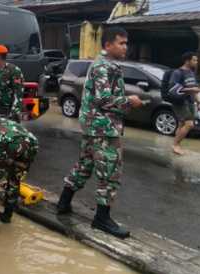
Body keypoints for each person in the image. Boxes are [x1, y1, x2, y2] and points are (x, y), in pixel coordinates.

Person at [56, 26, 143, 239]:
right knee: (110, 172)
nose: (126, 47)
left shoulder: (102, 65)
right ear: (107, 45)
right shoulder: (104, 67)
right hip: (103, 127)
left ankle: (63, 202)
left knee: (85, 165)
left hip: (94, 126)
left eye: (126, 42)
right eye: (121, 43)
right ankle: (102, 219)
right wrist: (129, 101)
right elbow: (103, 100)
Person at [170, 52, 200, 156]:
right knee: (189, 124)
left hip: (190, 102)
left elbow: (195, 89)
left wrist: (199, 102)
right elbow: (173, 89)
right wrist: (191, 89)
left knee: (182, 124)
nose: (196, 62)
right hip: (180, 102)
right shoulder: (177, 73)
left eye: (196, 60)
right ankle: (175, 145)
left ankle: (176, 144)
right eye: (194, 60)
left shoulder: (191, 73)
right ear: (187, 61)